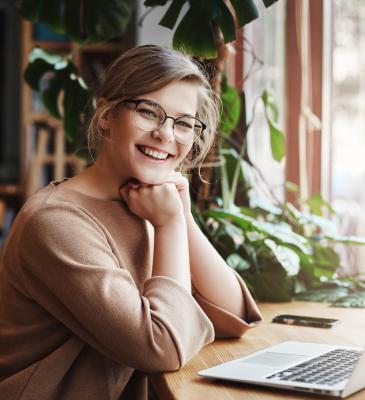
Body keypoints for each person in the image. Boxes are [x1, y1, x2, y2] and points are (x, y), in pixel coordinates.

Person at [0, 45, 262, 400]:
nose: (166, 134)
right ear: (107, 114)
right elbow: (162, 347)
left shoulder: (149, 204)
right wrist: (169, 225)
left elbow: (232, 314)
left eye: (184, 123)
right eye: (149, 112)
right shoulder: (56, 222)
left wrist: (181, 216)